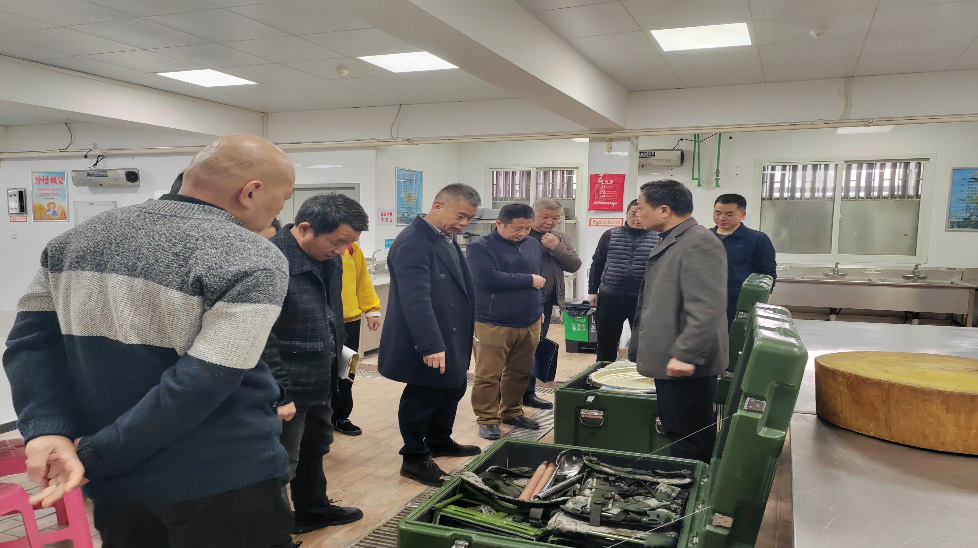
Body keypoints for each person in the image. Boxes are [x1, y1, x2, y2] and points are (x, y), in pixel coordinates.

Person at [3, 134, 298, 547]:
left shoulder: (74, 240)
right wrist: (94, 454)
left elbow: (31, 345)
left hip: (118, 486)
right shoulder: (253, 256)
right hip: (220, 477)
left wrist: (47, 430)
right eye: (283, 199)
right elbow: (202, 382)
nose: (279, 209)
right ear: (250, 192)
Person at [262, 193, 366, 534]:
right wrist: (280, 393)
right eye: (338, 242)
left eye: (349, 244)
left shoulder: (331, 259)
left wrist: (340, 369)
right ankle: (275, 532)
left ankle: (313, 509)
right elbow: (262, 337)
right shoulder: (271, 262)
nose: (342, 250)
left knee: (317, 444)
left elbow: (333, 315)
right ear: (305, 228)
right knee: (282, 460)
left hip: (322, 376)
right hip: (288, 385)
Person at [378, 184, 483, 487]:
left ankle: (439, 439)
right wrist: (430, 344)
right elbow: (416, 299)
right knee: (423, 396)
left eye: (469, 219)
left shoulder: (443, 237)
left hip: (451, 331)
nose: (464, 224)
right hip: (427, 337)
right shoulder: (413, 241)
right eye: (460, 216)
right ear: (438, 206)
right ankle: (414, 457)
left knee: (452, 388)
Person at [628, 180, 728, 463]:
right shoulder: (674, 239)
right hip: (672, 359)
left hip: (687, 366)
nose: (638, 213)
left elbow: (706, 308)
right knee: (678, 430)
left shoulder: (698, 243)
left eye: (641, 206)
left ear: (664, 210)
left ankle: (693, 486)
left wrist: (686, 354)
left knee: (689, 438)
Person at [466, 203, 545, 440]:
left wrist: (539, 307)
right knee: (488, 374)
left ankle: (512, 412)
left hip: (529, 320)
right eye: (517, 228)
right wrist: (528, 280)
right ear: (499, 223)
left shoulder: (532, 244)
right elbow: (486, 278)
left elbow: (538, 279)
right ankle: (487, 418)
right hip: (493, 321)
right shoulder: (480, 247)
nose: (523, 233)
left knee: (520, 371)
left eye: (527, 228)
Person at [523, 198, 581, 409]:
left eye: (555, 218)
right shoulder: (521, 234)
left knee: (536, 347)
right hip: (522, 301)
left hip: (546, 303)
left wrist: (556, 247)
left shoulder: (560, 237)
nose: (549, 222)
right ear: (533, 214)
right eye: (545, 217)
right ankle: (508, 396)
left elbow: (574, 265)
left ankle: (528, 393)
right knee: (517, 350)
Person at [588, 199, 661, 362]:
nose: (637, 218)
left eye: (641, 214)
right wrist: (592, 291)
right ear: (626, 214)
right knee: (606, 342)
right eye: (633, 213)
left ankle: (638, 374)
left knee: (642, 344)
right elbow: (597, 263)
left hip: (642, 299)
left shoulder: (658, 238)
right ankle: (602, 372)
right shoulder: (609, 235)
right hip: (610, 296)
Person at [332, 241, 382, 436]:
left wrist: (371, 309)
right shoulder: (318, 245)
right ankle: (319, 418)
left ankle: (341, 416)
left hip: (350, 321)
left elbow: (363, 279)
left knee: (347, 370)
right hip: (323, 320)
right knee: (324, 372)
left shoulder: (351, 248)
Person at [711, 194, 778, 326]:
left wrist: (756, 303)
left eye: (729, 214)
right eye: (717, 212)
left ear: (743, 214)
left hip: (739, 305)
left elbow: (767, 275)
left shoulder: (757, 239)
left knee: (734, 337)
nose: (722, 218)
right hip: (707, 303)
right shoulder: (705, 237)